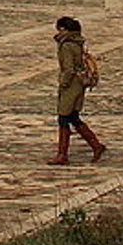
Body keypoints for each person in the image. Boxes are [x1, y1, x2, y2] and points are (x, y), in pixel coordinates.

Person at [50, 16, 107, 164]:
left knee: (64, 118)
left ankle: (62, 154)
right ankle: (96, 145)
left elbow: (68, 69)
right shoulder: (78, 43)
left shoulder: (66, 45)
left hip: (71, 86)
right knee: (73, 117)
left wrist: (63, 83)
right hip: (79, 84)